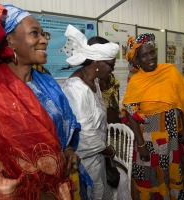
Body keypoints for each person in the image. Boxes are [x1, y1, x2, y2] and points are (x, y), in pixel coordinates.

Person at [0, 4, 82, 199]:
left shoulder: (48, 83)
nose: (44, 41)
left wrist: (68, 150)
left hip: (61, 190)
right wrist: (23, 191)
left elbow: (64, 130)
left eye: (43, 34)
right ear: (10, 40)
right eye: (35, 34)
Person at [120, 33, 184, 200]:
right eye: (144, 55)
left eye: (152, 52)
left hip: (173, 137)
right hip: (148, 140)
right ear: (137, 60)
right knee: (151, 178)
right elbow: (130, 114)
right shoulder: (136, 81)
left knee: (173, 174)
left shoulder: (170, 71)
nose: (150, 58)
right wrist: (141, 145)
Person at [61, 24, 119, 199]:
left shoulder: (92, 83)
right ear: (97, 62)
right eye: (111, 65)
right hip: (85, 160)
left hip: (97, 157)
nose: (112, 70)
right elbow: (84, 133)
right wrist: (106, 150)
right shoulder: (77, 89)